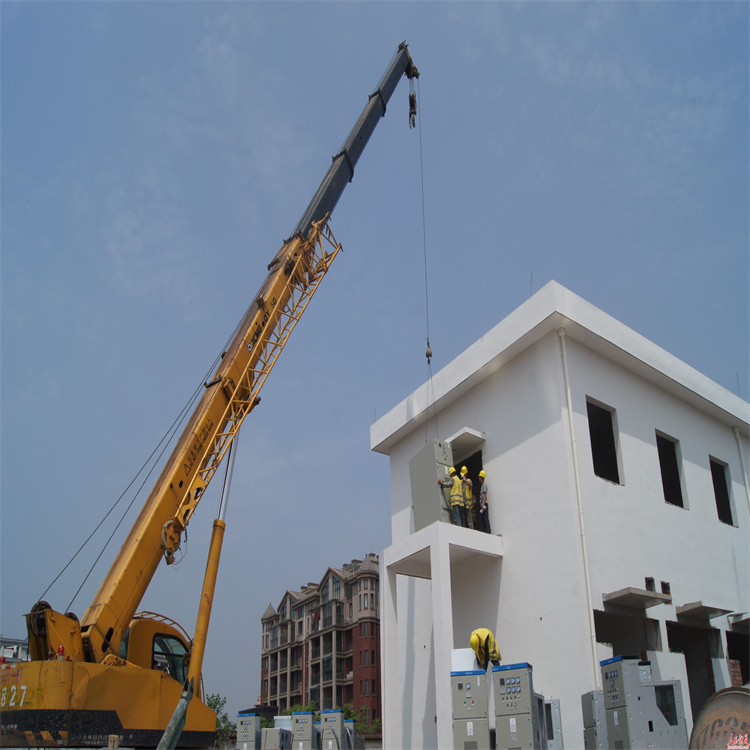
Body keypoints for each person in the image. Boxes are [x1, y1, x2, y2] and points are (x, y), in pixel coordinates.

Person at [478, 470, 491, 534]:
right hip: (482, 504)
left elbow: (485, 495)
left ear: (481, 477)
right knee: (483, 519)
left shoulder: (484, 485)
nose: (479, 478)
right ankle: (485, 531)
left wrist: (483, 505)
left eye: (479, 477)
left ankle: (488, 532)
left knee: (485, 519)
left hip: (484, 504)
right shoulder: (482, 485)